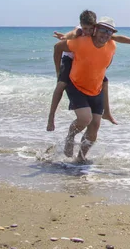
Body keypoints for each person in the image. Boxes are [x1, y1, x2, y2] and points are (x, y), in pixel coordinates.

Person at [47, 11, 130, 131]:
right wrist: (58, 69)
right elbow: (67, 38)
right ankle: (51, 118)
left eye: (90, 29)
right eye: (85, 28)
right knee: (61, 84)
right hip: (70, 58)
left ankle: (107, 112)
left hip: (83, 59)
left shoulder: (101, 33)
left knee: (104, 81)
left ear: (95, 27)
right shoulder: (80, 32)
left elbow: (119, 38)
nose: (88, 32)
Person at [49, 16, 119, 162]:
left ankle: (80, 159)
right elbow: (58, 47)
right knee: (85, 118)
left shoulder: (112, 46)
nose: (105, 34)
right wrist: (58, 71)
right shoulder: (81, 40)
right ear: (95, 30)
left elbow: (105, 65)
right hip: (76, 84)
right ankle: (69, 135)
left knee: (94, 130)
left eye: (109, 32)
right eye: (103, 30)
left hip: (95, 87)